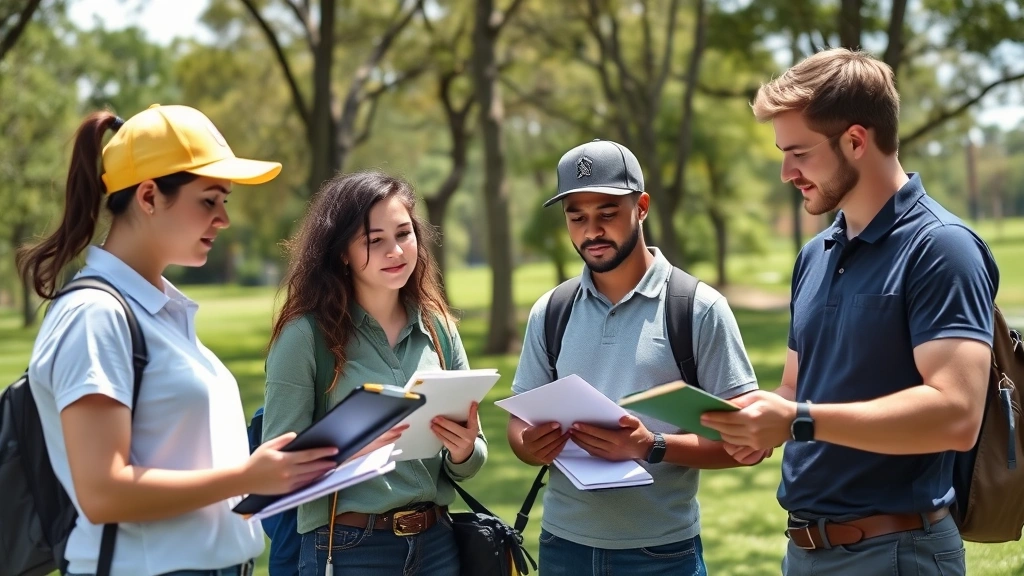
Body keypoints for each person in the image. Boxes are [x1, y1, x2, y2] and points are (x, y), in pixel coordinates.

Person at [701, 48, 999, 576]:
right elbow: (795, 389)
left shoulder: (942, 247)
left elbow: (957, 415)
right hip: (805, 550)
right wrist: (755, 423)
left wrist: (796, 422)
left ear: (856, 140)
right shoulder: (815, 254)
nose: (785, 172)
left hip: (896, 552)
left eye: (799, 153)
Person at [17, 105, 342, 576]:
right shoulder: (95, 317)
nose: (223, 219)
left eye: (225, 202)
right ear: (149, 196)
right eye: (209, 201)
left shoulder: (160, 313)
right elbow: (103, 491)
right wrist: (248, 477)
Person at [507, 138, 768, 576]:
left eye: (607, 214)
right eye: (577, 217)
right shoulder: (550, 311)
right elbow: (519, 427)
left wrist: (651, 446)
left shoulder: (697, 308)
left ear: (642, 207)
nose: (592, 231)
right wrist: (530, 446)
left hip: (662, 555)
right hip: (562, 547)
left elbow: (749, 443)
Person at [261, 170, 487, 576]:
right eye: (374, 240)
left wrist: (464, 448)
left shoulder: (439, 327)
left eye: (404, 234)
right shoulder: (304, 337)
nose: (396, 251)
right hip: (349, 549)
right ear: (342, 252)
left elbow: (470, 461)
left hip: (437, 545)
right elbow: (276, 472)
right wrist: (349, 450)